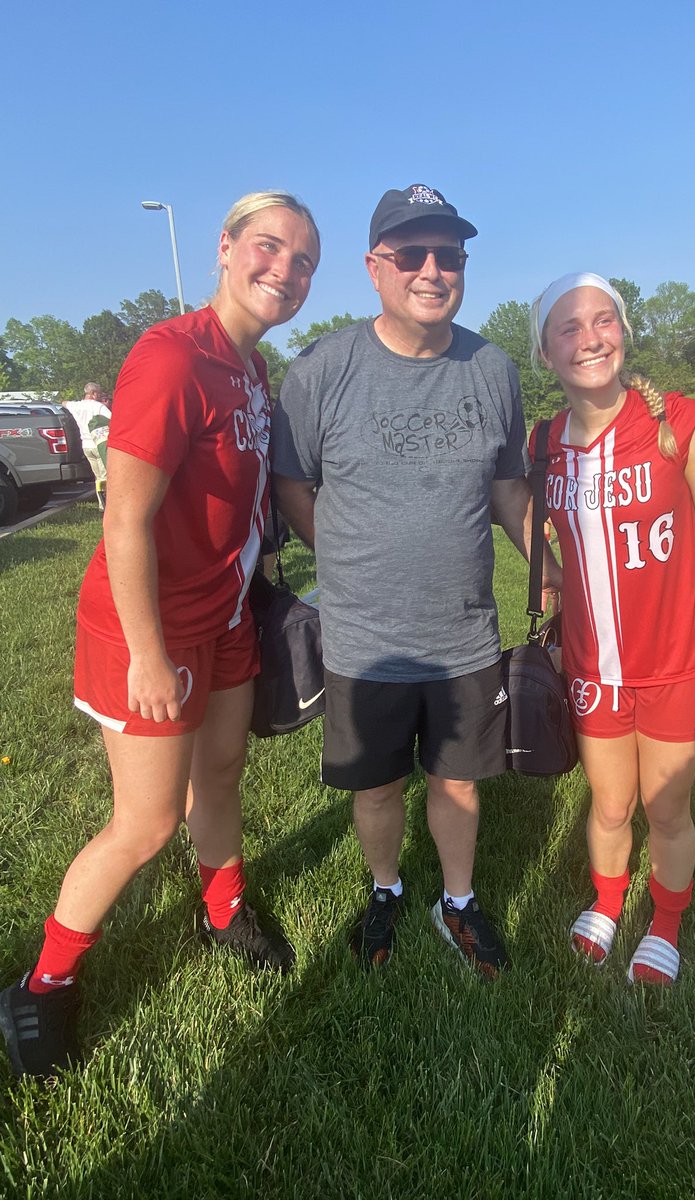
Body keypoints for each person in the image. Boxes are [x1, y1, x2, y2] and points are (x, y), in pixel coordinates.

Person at [0, 190, 320, 1081]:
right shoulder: (173, 357)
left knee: (220, 774)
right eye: (269, 247)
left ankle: (223, 909)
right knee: (142, 825)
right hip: (152, 627)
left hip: (225, 615)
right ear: (225, 247)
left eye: (303, 261)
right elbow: (124, 520)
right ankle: (42, 983)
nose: (285, 271)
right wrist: (146, 652)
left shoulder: (252, 367)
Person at [273, 183, 559, 981]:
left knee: (459, 784)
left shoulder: (491, 369)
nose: (433, 270)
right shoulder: (323, 368)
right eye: (411, 254)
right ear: (375, 267)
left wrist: (551, 573)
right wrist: (340, 554)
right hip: (363, 638)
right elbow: (290, 481)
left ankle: (457, 902)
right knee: (376, 788)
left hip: (462, 630)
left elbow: (509, 489)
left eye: (449, 255)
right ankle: (387, 888)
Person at [528, 272, 695, 986]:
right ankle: (608, 901)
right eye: (569, 327)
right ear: (546, 353)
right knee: (611, 803)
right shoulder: (543, 444)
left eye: (603, 320)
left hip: (676, 663)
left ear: (622, 331)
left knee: (666, 807)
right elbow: (519, 514)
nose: (590, 338)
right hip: (593, 668)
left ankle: (667, 922)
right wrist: (548, 568)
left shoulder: (682, 422)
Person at [66, 383, 112, 509]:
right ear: (93, 393)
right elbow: (112, 420)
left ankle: (102, 504)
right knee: (106, 476)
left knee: (98, 477)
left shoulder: (76, 406)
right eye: (99, 393)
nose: (100, 396)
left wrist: (66, 402)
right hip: (99, 444)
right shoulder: (98, 406)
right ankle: (109, 504)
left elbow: (64, 403)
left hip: (86, 446)